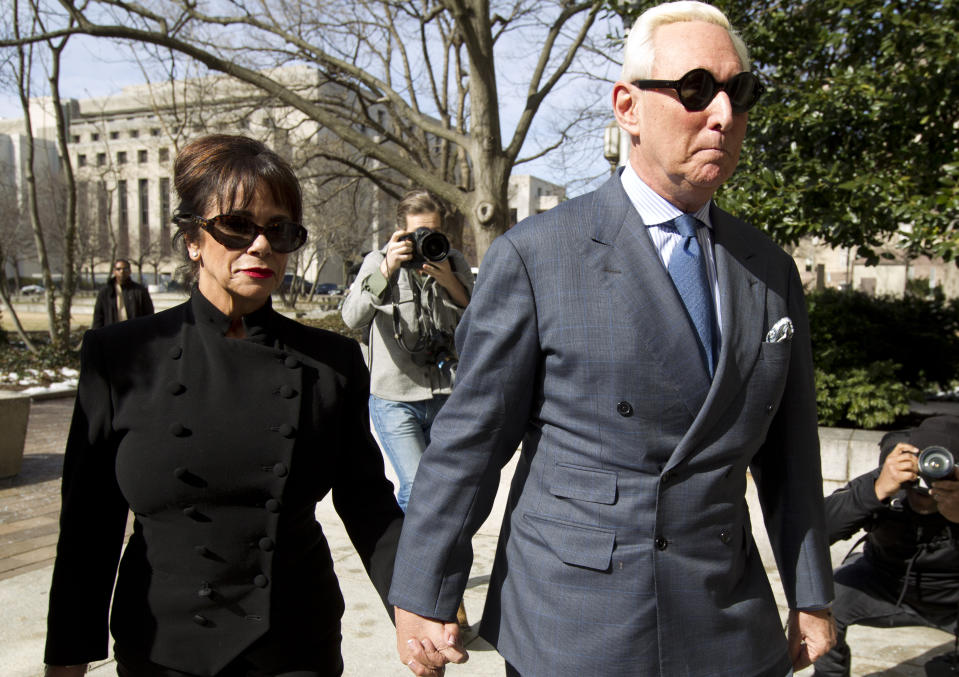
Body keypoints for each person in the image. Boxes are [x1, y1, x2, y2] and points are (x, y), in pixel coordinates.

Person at [389, 2, 836, 676]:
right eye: (693, 90)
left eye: (738, 92)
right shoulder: (538, 255)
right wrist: (424, 590)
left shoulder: (766, 267)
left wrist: (809, 593)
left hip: (724, 617)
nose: (721, 114)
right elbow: (471, 441)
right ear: (627, 107)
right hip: (578, 619)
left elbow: (790, 454)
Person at [43, 134, 403, 677]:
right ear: (192, 237)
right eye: (237, 225)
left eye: (280, 231)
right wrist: (68, 657)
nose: (260, 245)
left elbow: (368, 503)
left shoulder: (331, 362)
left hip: (294, 645)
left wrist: (415, 606)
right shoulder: (119, 356)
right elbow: (89, 525)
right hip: (164, 647)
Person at [341, 189, 472, 513]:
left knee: (443, 487)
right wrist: (386, 269)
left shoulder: (451, 260)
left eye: (432, 230)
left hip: (445, 393)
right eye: (417, 233)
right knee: (416, 487)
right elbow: (352, 316)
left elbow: (480, 316)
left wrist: (450, 283)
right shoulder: (378, 262)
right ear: (400, 232)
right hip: (395, 397)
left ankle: (433, 558)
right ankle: (406, 560)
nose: (425, 238)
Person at [813, 415, 959, 677]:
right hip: (884, 583)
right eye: (922, 463)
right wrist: (876, 491)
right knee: (822, 597)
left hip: (951, 597)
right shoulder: (889, 479)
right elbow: (814, 534)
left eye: (940, 468)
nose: (926, 479)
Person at [91, 258, 154, 328]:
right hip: (112, 334)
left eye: (125, 269)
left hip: (134, 334)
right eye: (118, 269)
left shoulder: (140, 291)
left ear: (130, 271)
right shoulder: (105, 292)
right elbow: (98, 317)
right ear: (114, 271)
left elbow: (149, 315)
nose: (122, 271)